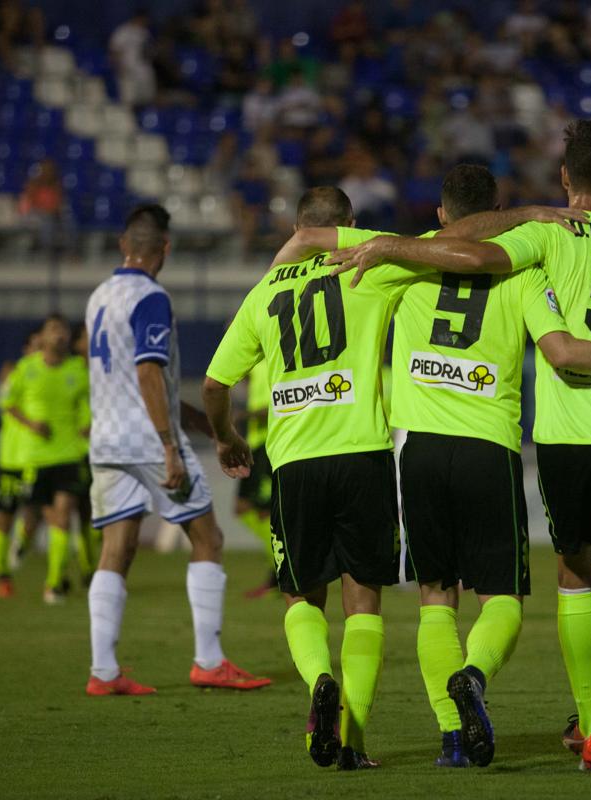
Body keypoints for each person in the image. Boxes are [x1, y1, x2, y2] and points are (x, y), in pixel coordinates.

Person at [267, 165, 591, 768]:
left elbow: (303, 241)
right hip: (491, 447)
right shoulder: (522, 272)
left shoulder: (404, 259)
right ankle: (477, 675)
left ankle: (452, 737)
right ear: (500, 211)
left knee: (436, 599)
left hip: (420, 449)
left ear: (440, 215)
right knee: (502, 598)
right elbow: (560, 352)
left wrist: (278, 287)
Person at [202, 187, 419, 771]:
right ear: (348, 225)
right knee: (364, 599)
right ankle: (353, 738)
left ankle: (319, 680)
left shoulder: (263, 293)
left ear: (297, 228)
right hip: (363, 456)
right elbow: (440, 251)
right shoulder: (372, 266)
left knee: (300, 592)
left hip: (294, 464)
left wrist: (225, 438)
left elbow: (214, 386)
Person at [83, 204, 271, 696]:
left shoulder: (99, 297)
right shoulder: (151, 298)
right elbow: (147, 372)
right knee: (208, 539)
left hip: (106, 440)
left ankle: (103, 672)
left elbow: (141, 383)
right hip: (148, 440)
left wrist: (213, 430)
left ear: (124, 247)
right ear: (164, 249)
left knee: (116, 549)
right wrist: (170, 445)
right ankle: (208, 660)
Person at [2, 314, 90, 604]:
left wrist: (87, 423)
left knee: (62, 517)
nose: (60, 335)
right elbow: (8, 402)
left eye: (63, 330)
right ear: (43, 336)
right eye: (54, 330)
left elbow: (87, 402)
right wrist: (31, 424)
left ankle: (53, 585)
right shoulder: (26, 369)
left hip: (68, 454)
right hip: (35, 457)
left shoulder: (78, 369)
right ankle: (22, 542)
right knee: (35, 517)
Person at [0, 328, 43, 598]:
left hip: (40, 459)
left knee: (36, 516)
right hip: (12, 458)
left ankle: (22, 544)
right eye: (36, 345)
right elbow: (7, 399)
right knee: (5, 516)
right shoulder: (17, 373)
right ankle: (2, 575)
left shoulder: (51, 374)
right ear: (26, 349)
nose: (40, 350)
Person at [234, 361, 277, 599]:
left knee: (264, 512)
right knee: (244, 508)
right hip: (256, 445)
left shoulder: (274, 359)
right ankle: (278, 570)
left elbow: (278, 404)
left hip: (270, 443)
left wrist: (246, 414)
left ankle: (279, 573)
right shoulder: (256, 363)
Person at [70, 323, 102, 585]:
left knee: (99, 514)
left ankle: (94, 566)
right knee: (83, 511)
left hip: (105, 449)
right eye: (86, 337)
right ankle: (87, 567)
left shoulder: (106, 368)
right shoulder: (70, 371)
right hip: (77, 452)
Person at [109, 11, 156, 108]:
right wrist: (119, 67)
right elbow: (114, 50)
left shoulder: (145, 32)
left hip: (144, 72)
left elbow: (148, 52)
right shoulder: (124, 31)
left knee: (147, 100)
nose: (145, 22)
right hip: (128, 71)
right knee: (129, 102)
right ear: (138, 18)